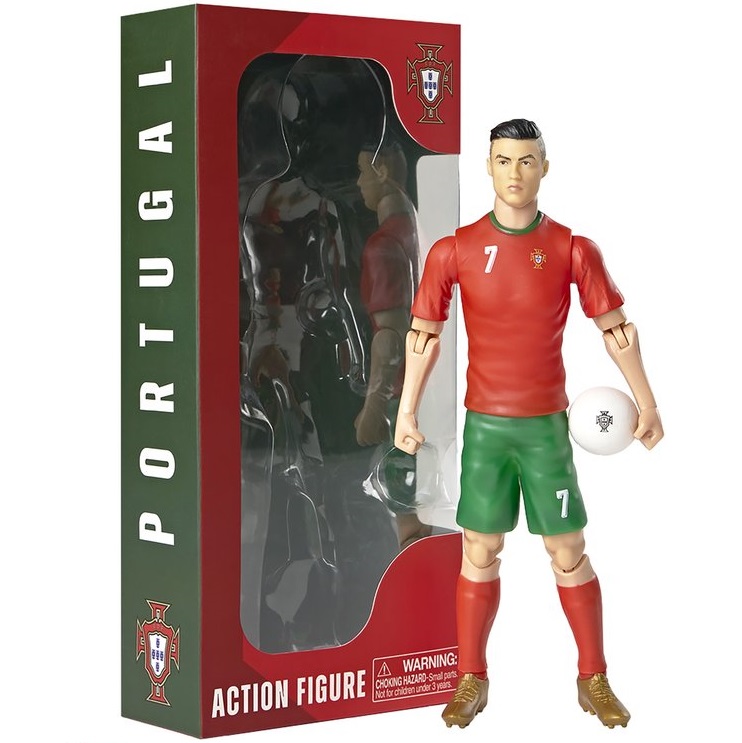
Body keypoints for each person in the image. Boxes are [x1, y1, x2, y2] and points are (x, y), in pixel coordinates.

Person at [393, 119, 663, 730]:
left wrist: (645, 402)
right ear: (487, 166)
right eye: (503, 160)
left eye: (526, 160)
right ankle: (470, 677)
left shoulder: (571, 248)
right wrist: (405, 411)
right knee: (479, 548)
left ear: (545, 166)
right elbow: (422, 334)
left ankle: (593, 677)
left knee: (567, 549)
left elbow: (616, 328)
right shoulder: (454, 250)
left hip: (545, 430)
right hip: (487, 429)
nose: (514, 172)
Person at [354, 142, 431, 547]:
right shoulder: (421, 235)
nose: (358, 183)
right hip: (432, 393)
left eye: (363, 171)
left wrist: (373, 406)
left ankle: (413, 562)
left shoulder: (382, 245)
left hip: (400, 402)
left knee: (403, 501)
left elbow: (389, 338)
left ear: (382, 171)